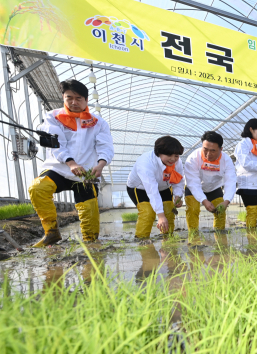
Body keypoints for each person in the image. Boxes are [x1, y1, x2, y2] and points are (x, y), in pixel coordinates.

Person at [28, 79, 114, 247]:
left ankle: (91, 243)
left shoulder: (98, 123)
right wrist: (71, 163)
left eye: (79, 98)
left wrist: (101, 164)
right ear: (63, 98)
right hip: (58, 169)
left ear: (86, 100)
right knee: (38, 188)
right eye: (69, 98)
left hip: (86, 174)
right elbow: (56, 143)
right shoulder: (53, 117)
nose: (74, 102)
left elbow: (106, 146)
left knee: (89, 214)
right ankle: (51, 233)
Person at [127, 136, 185, 240]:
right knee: (148, 214)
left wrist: (178, 195)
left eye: (176, 156)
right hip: (141, 188)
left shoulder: (177, 162)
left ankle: (168, 239)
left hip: (164, 187)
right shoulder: (146, 163)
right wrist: (160, 216)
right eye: (169, 155)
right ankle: (142, 240)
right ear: (158, 153)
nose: (173, 159)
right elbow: (152, 191)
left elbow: (178, 180)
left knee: (169, 212)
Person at [184, 131, 236, 233]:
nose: (208, 154)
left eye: (213, 151)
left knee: (220, 212)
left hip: (214, 187)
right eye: (205, 149)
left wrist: (227, 201)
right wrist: (204, 200)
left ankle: (220, 236)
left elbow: (230, 181)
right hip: (194, 188)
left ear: (221, 149)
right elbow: (193, 183)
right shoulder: (193, 158)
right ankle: (194, 237)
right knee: (193, 210)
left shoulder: (226, 160)